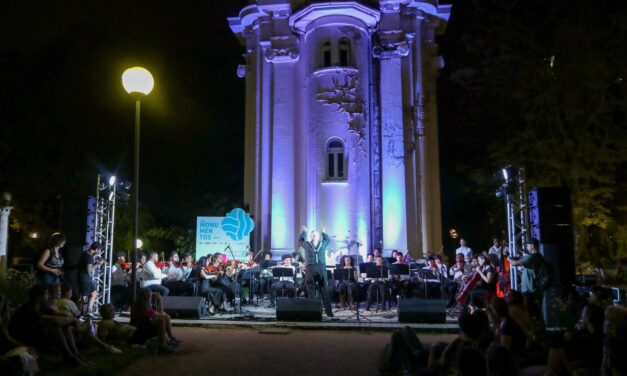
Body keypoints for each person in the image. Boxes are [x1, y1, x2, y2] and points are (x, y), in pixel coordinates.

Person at [9, 285, 88, 365]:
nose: (48, 296)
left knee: (63, 325)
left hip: (35, 334)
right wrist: (73, 320)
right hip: (23, 339)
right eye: (46, 294)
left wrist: (72, 320)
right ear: (38, 297)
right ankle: (70, 357)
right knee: (55, 326)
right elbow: (54, 320)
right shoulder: (29, 310)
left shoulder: (42, 307)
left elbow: (64, 315)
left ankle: (75, 354)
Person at [129, 288, 178, 354]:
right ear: (147, 297)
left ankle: (169, 340)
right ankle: (163, 345)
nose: (151, 298)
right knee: (161, 320)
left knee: (165, 317)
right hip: (137, 334)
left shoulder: (137, 304)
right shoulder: (145, 307)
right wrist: (160, 301)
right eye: (150, 296)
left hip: (138, 331)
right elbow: (160, 314)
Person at [299, 225, 334, 317]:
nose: (314, 237)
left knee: (324, 290)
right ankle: (314, 312)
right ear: (310, 236)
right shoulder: (307, 244)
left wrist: (323, 232)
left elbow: (328, 240)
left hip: (321, 269)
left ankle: (328, 311)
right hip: (310, 269)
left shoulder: (323, 243)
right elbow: (300, 241)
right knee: (310, 291)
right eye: (312, 235)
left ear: (318, 237)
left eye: (316, 235)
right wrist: (304, 232)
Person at [0, 294, 39, 376]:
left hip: (5, 349)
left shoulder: (3, 320)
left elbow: (8, 338)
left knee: (29, 354)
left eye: (1, 307)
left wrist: (25, 346)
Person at [78, 242, 103, 317]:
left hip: (85, 277)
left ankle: (89, 311)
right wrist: (97, 264)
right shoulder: (89, 256)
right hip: (84, 278)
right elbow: (89, 270)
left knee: (94, 293)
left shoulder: (85, 253)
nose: (98, 252)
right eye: (99, 250)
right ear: (97, 249)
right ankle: (78, 314)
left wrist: (95, 263)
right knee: (83, 297)